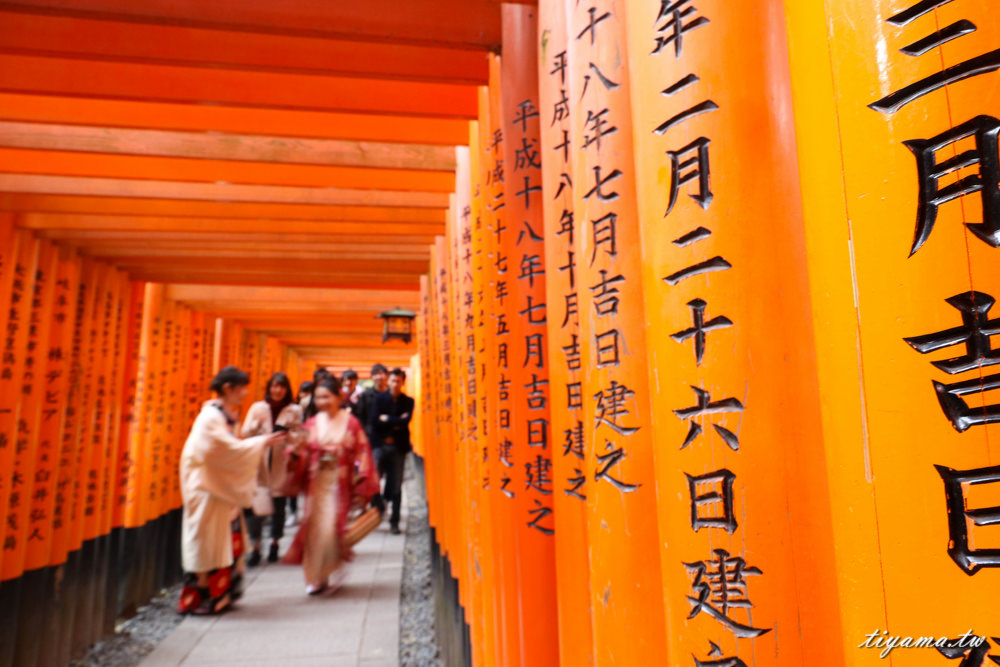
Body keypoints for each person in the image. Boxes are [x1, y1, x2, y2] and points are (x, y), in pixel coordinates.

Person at [177, 366, 287, 615]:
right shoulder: (210, 417)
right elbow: (222, 450)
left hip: (219, 487)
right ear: (228, 389)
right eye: (241, 388)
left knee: (223, 541)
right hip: (207, 488)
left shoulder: (223, 414)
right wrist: (260, 442)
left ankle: (220, 594)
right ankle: (204, 596)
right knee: (206, 542)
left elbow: (229, 449)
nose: (245, 393)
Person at [281, 377, 378, 595]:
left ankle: (331, 567)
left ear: (338, 397)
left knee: (331, 529)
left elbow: (362, 453)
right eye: (318, 397)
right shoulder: (313, 423)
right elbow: (301, 449)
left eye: (326, 396)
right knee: (314, 529)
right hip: (317, 483)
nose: (322, 401)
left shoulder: (351, 423)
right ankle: (315, 576)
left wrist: (360, 483)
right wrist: (295, 452)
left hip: (339, 483)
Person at [240, 372, 303, 565]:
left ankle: (275, 543)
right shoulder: (258, 407)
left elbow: (300, 438)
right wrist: (255, 425)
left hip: (281, 463)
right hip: (258, 463)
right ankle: (255, 546)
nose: (277, 390)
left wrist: (288, 435)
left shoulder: (295, 410)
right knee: (256, 505)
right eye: (274, 386)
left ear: (287, 389)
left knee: (278, 507)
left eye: (281, 386)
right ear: (269, 387)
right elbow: (244, 433)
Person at [369, 368, 415, 535]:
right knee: (373, 480)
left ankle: (394, 521)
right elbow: (374, 421)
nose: (395, 384)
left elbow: (406, 421)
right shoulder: (379, 399)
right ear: (388, 381)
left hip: (398, 447)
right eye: (393, 380)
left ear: (403, 382)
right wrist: (396, 420)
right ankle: (376, 512)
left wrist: (386, 418)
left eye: (398, 381)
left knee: (396, 486)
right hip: (379, 445)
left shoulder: (408, 401)